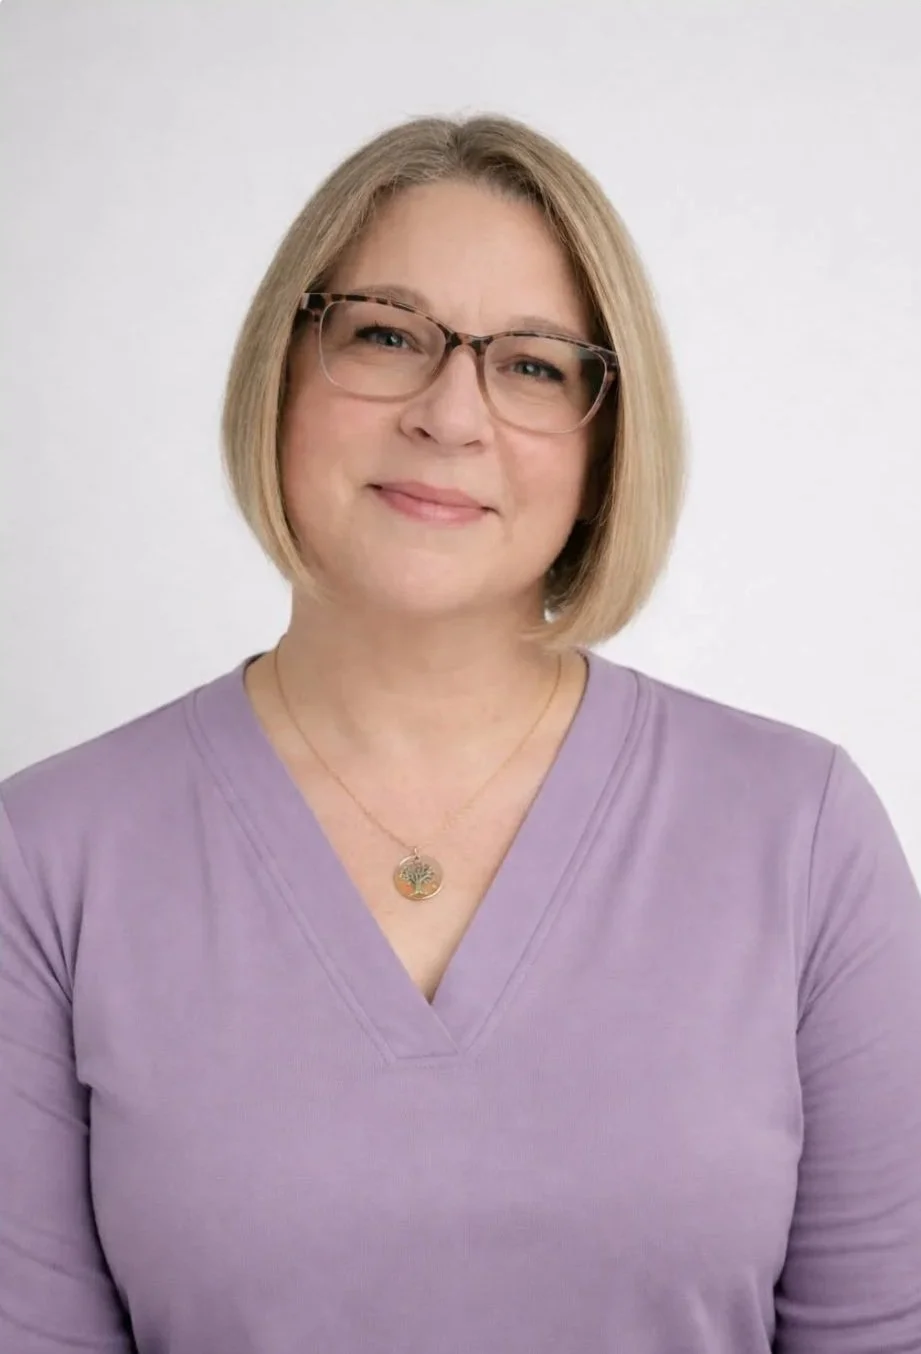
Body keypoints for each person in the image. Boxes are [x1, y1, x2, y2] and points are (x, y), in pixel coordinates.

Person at [1, 113, 919, 1354]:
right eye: (386, 334)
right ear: (281, 366)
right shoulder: (48, 858)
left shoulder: (802, 834)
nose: (450, 412)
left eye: (533, 365)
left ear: (607, 440)